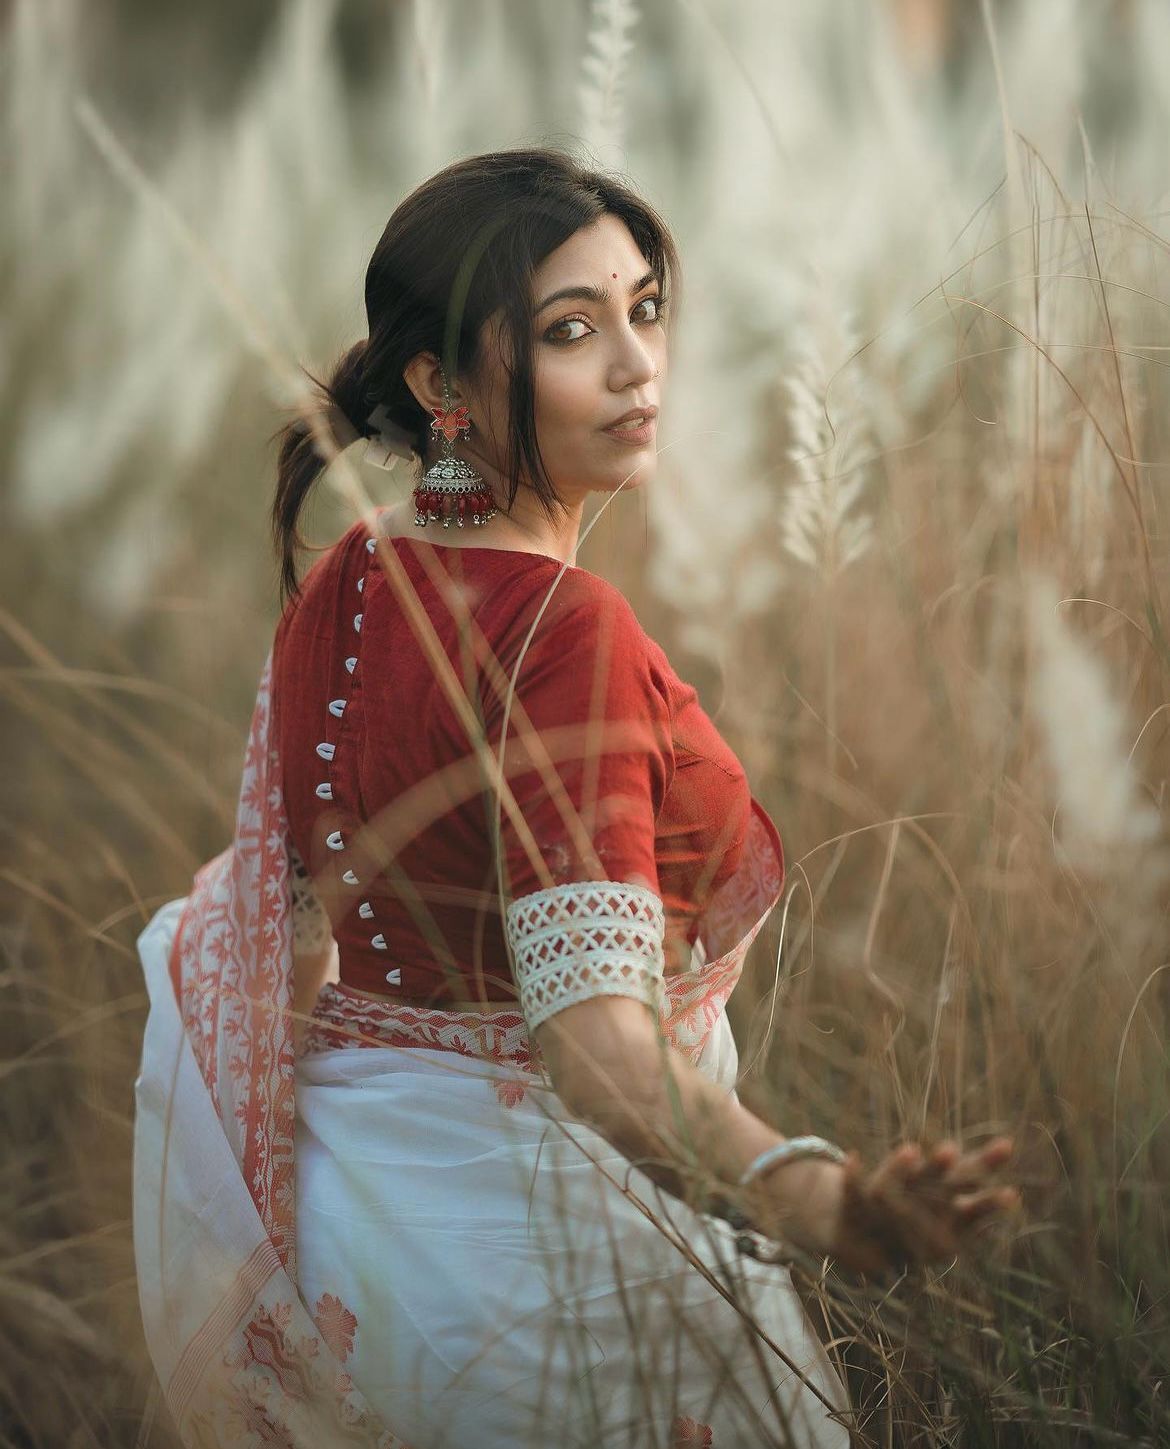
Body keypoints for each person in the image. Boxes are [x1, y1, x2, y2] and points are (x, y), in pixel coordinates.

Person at [132, 146, 1019, 1449]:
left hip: (347, 1228)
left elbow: (290, 934)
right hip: (535, 1268)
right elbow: (594, 1046)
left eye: (643, 310)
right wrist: (814, 1196)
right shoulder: (565, 630)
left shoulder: (352, 575)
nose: (634, 365)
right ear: (440, 385)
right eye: (569, 330)